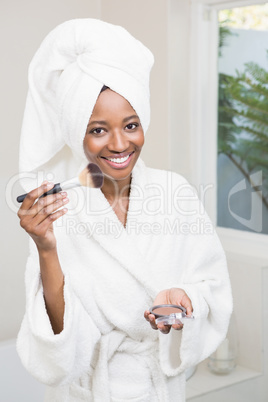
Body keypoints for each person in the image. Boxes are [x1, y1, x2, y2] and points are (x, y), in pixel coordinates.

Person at [16, 19, 232, 402]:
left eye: (131, 125)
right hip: (88, 391)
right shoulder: (58, 210)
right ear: (74, 132)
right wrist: (45, 248)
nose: (120, 144)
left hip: (159, 388)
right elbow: (57, 345)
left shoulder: (175, 192)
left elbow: (213, 288)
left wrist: (184, 300)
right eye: (98, 129)